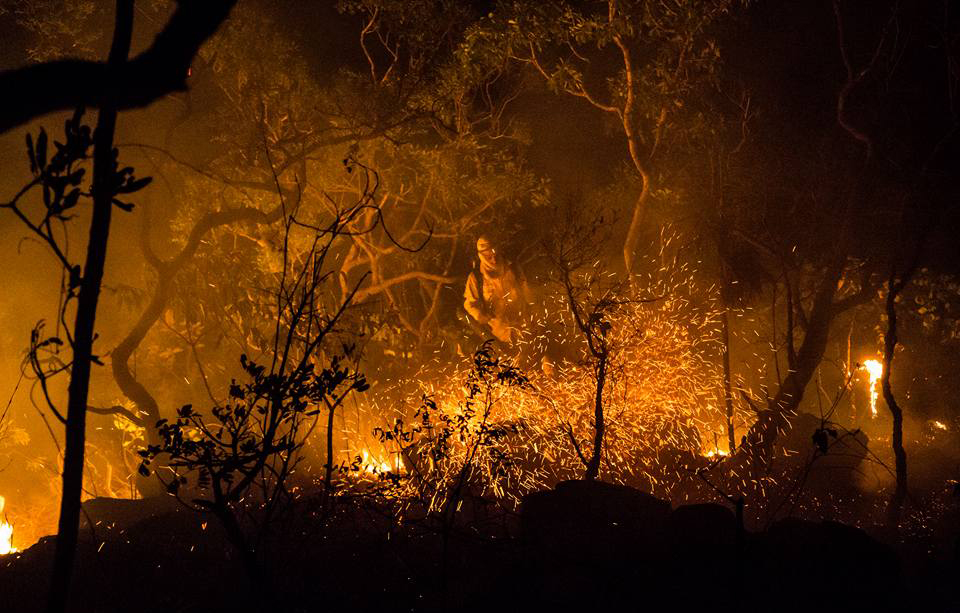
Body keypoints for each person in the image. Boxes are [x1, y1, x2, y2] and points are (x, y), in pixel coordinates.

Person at [463, 236, 532, 345]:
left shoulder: (513, 268)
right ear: (482, 256)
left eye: (495, 255)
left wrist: (532, 311)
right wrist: (480, 316)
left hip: (523, 329)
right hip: (498, 335)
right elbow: (470, 303)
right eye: (489, 257)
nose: (494, 260)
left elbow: (527, 293)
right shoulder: (476, 277)